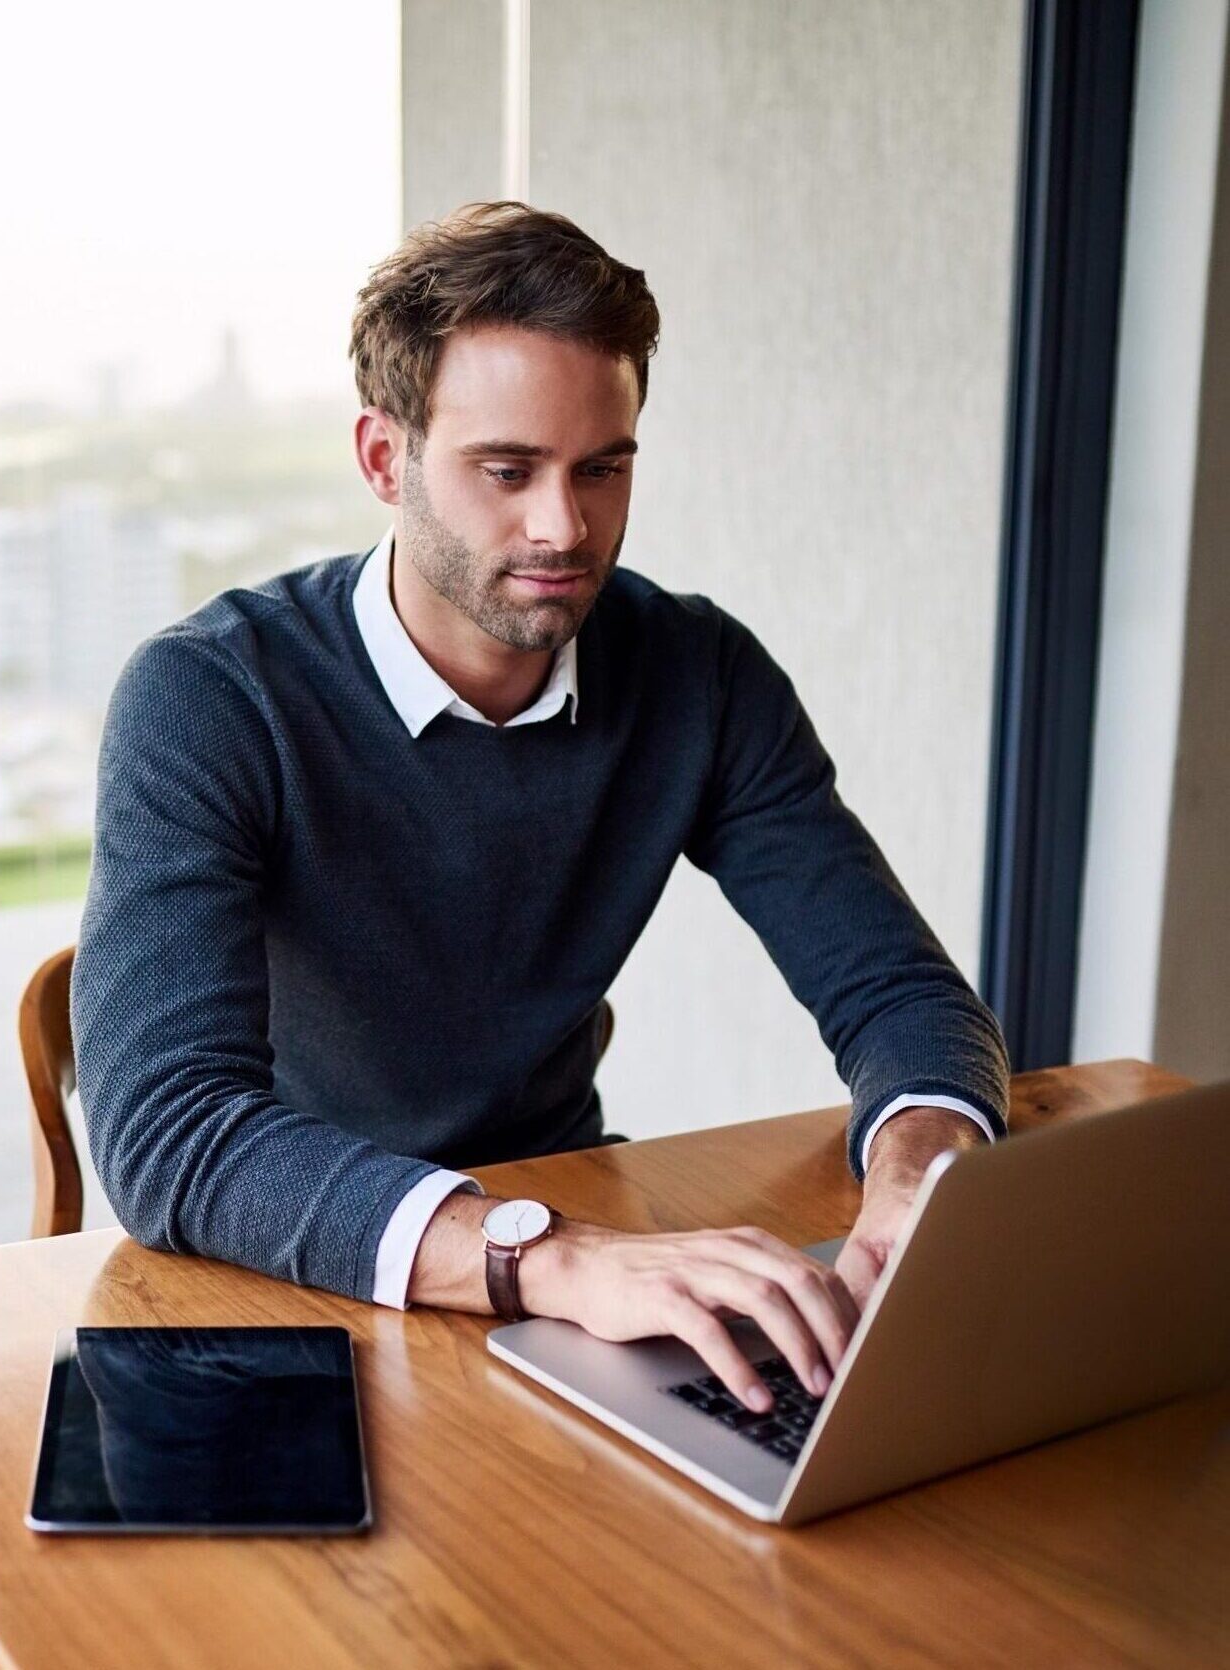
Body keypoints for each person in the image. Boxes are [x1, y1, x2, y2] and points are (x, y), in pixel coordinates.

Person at [72, 201, 1008, 1416]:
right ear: (382, 458)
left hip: (570, 1250)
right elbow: (174, 1136)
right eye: (506, 471)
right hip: (287, 1266)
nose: (564, 527)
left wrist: (921, 1173)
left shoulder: (699, 676)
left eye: (602, 468)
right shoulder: (209, 698)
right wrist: (542, 1254)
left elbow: (899, 991)